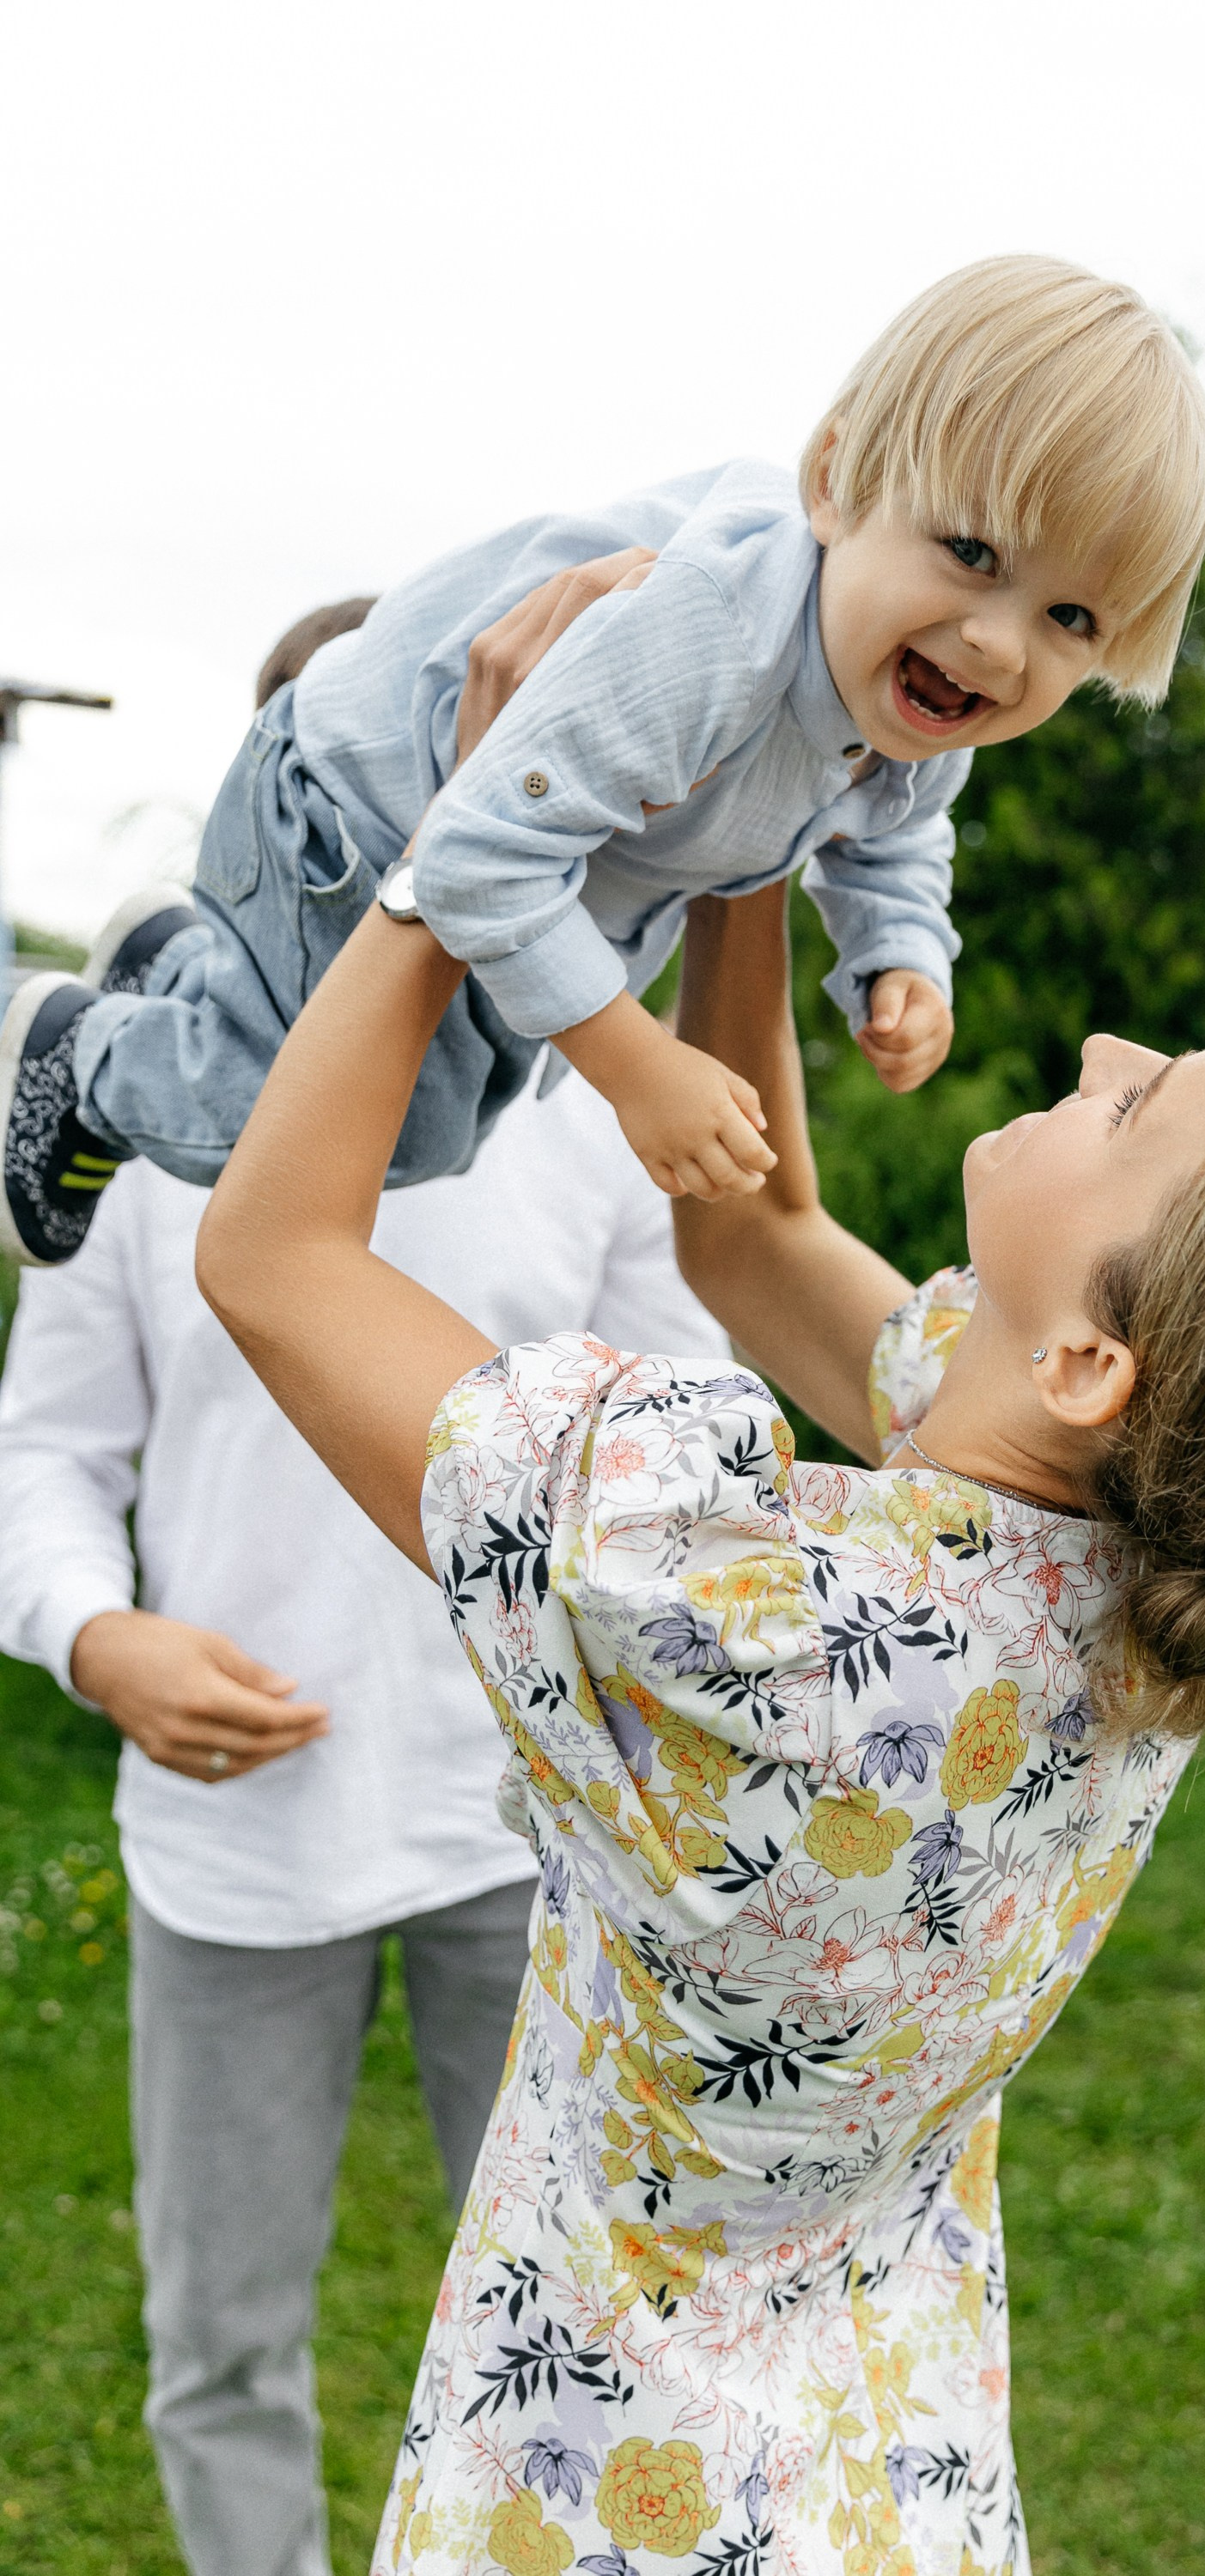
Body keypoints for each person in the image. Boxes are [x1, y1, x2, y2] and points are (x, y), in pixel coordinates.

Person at [192, 850, 1205, 2571]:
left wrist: (470, 854)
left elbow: (270, 1250)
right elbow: (745, 1237)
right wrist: (749, 836)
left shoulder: (746, 1639)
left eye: (1142, 1113)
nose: (1111, 1051)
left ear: (1086, 1364)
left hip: (610, 2490)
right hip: (880, 2474)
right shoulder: (1123, 1567)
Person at [0, 575, 731, 2576]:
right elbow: (45, 1458)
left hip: (527, 1833)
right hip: (227, 1855)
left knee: (588, 2326)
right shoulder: (150, 1114)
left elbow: (705, 1416)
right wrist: (94, 1633)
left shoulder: (587, 1098)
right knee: (217, 2342)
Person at [0, 254, 1205, 1263]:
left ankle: (176, 973)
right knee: (380, 1138)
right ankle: (81, 1055)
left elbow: (900, 827)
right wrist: (641, 1065)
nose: (1001, 647)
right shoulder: (712, 634)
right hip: (345, 817)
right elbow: (476, 852)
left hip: (499, 861)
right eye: (971, 551)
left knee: (445, 1123)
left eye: (1071, 620)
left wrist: (901, 952)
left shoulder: (923, 697)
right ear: (837, 482)